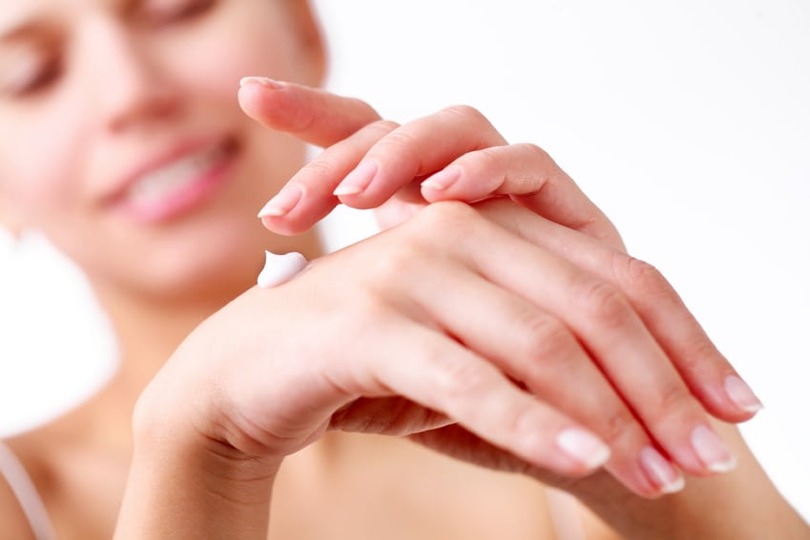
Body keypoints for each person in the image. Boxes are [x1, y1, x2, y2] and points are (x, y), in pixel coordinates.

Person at [0, 1, 806, 538]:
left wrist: (655, 455)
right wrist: (199, 449)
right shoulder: (20, 499)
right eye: (29, 76)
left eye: (179, 6)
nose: (132, 93)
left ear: (302, 29)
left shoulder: (549, 433)